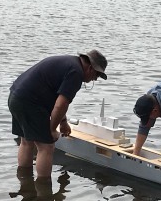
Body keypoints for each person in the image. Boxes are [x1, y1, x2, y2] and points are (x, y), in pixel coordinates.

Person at [8, 49, 108, 178]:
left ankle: (25, 183)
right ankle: (44, 191)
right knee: (46, 147)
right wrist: (51, 129)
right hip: (31, 103)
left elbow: (57, 101)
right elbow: (61, 104)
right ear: (90, 68)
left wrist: (63, 122)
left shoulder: (69, 63)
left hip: (16, 97)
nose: (94, 79)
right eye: (97, 75)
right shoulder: (76, 73)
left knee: (27, 141)